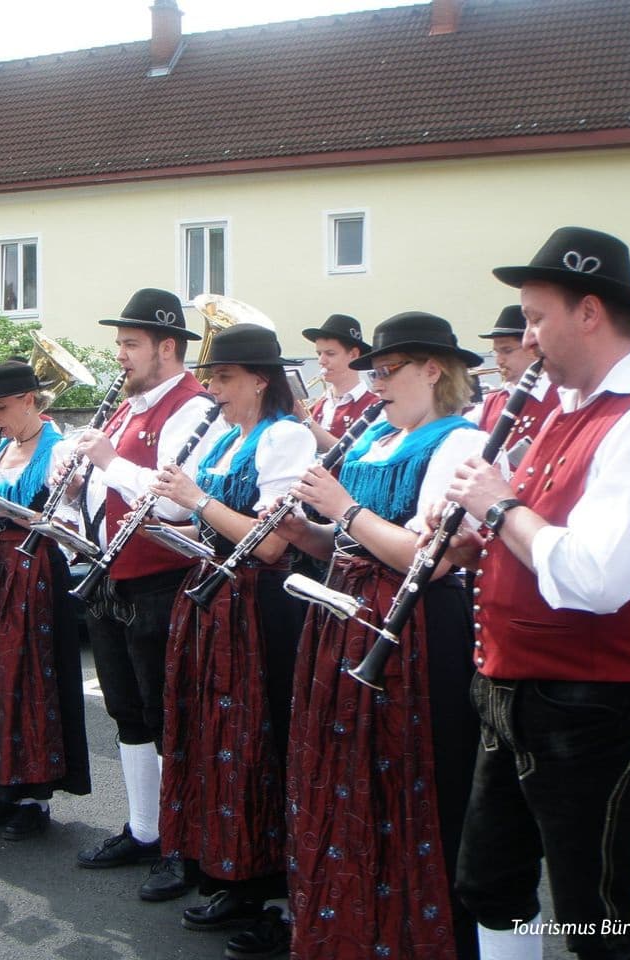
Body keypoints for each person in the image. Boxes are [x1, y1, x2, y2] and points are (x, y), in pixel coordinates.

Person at [441, 227, 630, 960]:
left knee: (596, 917)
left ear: (589, 312)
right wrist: (479, 537)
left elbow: (597, 577)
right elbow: (541, 527)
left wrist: (498, 505)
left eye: (535, 317)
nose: (525, 337)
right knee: (491, 884)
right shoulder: (569, 403)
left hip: (586, 703)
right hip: (513, 685)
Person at [271, 312, 485, 960]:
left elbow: (428, 560)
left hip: (412, 630)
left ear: (434, 370)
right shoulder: (376, 439)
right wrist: (304, 531)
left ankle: (414, 934)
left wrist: (342, 507)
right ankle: (352, 928)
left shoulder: (461, 442)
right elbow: (346, 544)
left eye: (389, 371)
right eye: (375, 373)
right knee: (344, 773)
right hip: (345, 619)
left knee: (408, 782)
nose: (378, 384)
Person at [147, 323, 315, 958]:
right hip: (214, 599)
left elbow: (269, 544)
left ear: (260, 380)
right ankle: (233, 876)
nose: (213, 389)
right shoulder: (225, 437)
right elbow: (206, 524)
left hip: (260, 608)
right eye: (213, 377)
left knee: (259, 743)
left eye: (224, 377)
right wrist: (167, 517)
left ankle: (276, 897)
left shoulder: (286, 437)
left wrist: (196, 500)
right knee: (214, 739)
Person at [63, 287, 217, 901]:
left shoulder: (193, 407)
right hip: (111, 574)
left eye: (131, 344)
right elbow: (108, 491)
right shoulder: (125, 408)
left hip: (163, 580)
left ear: (167, 347)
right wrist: (75, 488)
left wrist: (107, 461)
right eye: (120, 344)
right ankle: (145, 829)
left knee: (168, 716)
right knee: (126, 711)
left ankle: (184, 845)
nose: (120, 355)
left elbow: (172, 498)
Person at [0, 360, 90, 839]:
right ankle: (3, 785)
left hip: (34, 571)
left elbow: (71, 524)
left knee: (29, 676)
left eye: (2, 408)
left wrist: (17, 514)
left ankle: (35, 797)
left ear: (29, 400)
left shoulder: (59, 450)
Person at [469, 305, 559, 457]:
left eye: (507, 351)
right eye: (496, 352)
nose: (499, 361)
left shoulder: (562, 398)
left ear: (532, 348)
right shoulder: (490, 402)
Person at [299, 314, 378, 452]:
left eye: (330, 354)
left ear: (353, 354)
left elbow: (355, 456)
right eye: (319, 354)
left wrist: (306, 420)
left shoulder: (375, 406)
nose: (321, 361)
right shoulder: (318, 404)